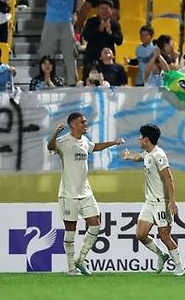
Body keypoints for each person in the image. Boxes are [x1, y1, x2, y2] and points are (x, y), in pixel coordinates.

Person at [47, 113, 124, 275]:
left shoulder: (84, 142)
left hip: (86, 193)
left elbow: (94, 147)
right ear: (73, 125)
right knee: (70, 230)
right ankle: (71, 268)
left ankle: (80, 259)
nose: (86, 124)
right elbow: (50, 147)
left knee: (96, 224)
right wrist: (55, 134)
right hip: (68, 194)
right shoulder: (63, 142)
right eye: (82, 122)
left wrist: (114, 142)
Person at [120, 124, 185, 275]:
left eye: (140, 136)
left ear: (146, 139)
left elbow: (169, 179)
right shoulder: (147, 153)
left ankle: (179, 267)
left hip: (161, 202)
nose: (138, 138)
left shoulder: (159, 155)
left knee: (164, 236)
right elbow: (138, 157)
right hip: (149, 203)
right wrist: (128, 157)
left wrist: (172, 202)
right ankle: (161, 256)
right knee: (140, 234)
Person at [27, 0, 85, 86]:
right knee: (46, 52)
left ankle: (72, 82)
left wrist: (76, 12)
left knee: (70, 53)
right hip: (50, 21)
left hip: (66, 21)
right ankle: (45, 81)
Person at [81, 0, 124, 82]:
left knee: (107, 84)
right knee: (89, 83)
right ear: (98, 10)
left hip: (107, 61)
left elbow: (119, 41)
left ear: (111, 11)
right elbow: (86, 36)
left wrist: (110, 33)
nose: (104, 11)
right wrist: (99, 30)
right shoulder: (91, 21)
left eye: (107, 8)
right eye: (102, 8)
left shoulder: (114, 24)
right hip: (92, 58)